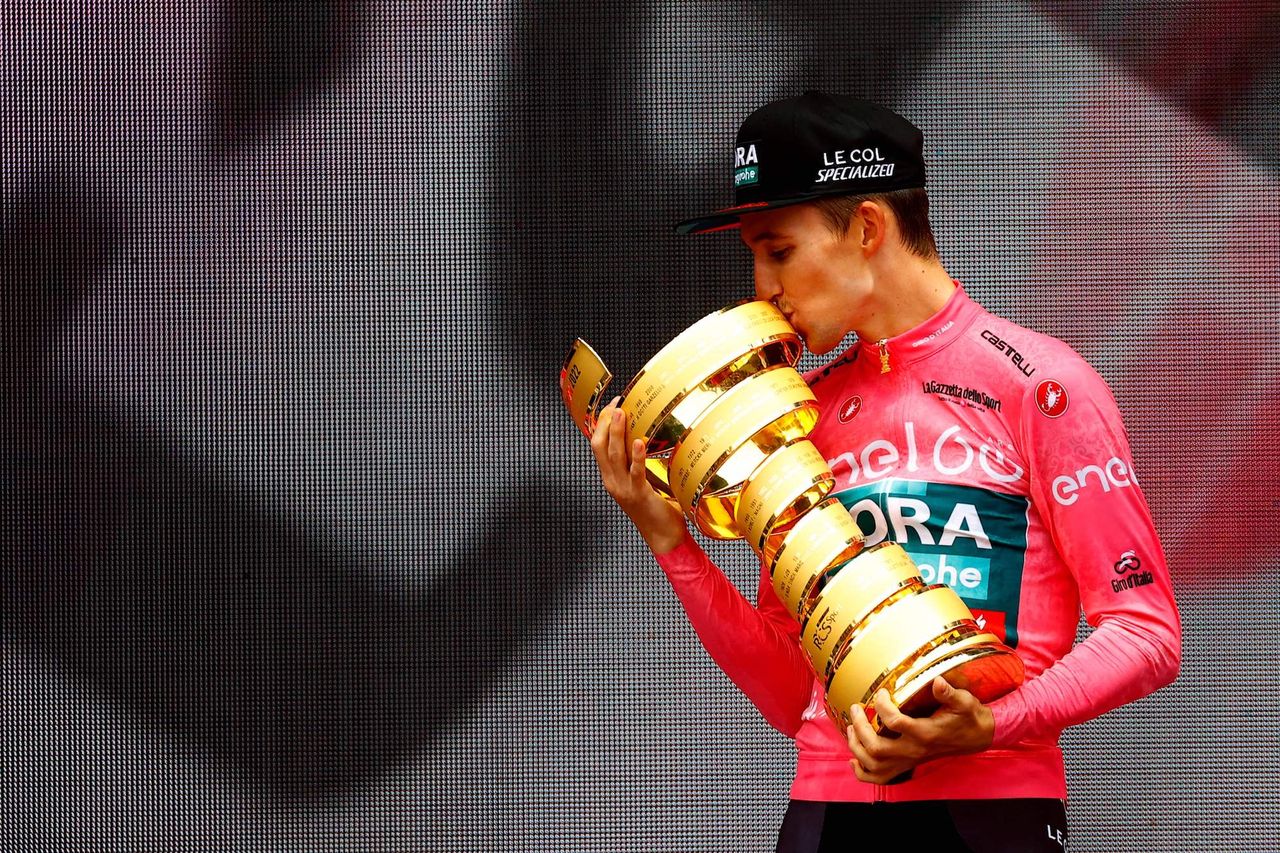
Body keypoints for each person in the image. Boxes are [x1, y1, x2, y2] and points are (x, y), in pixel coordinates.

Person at [588, 91, 1180, 852]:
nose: (762, 289)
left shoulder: (1039, 385)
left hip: (990, 813)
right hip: (824, 813)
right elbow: (789, 690)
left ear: (866, 226)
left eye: (779, 250)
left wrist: (995, 722)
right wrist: (669, 538)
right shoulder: (799, 413)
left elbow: (1146, 631)